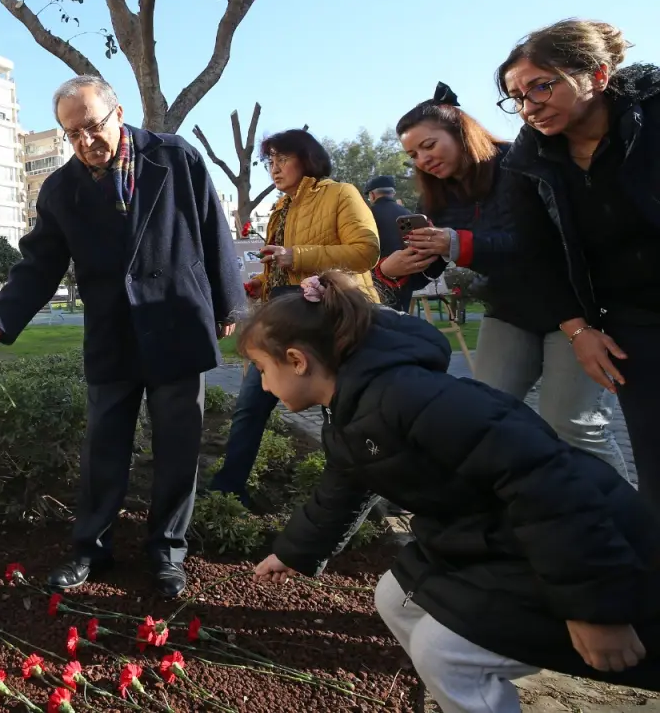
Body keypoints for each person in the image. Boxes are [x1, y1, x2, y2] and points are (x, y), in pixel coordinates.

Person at [247, 272, 660, 713]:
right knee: (394, 599)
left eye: (262, 370)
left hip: (583, 551)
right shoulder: (349, 413)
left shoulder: (413, 398)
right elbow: (342, 489)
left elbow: (549, 482)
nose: (264, 385)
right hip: (492, 538)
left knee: (446, 652)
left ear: (297, 360)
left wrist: (595, 610)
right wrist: (295, 552)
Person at [0, 75, 245, 599]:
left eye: (92, 126)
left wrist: (229, 303)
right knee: (102, 447)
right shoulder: (60, 189)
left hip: (176, 321)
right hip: (113, 331)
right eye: (72, 133)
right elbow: (39, 265)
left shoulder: (176, 157)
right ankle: (91, 549)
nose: (84, 141)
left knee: (178, 447)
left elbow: (214, 229)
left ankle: (167, 551)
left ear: (118, 114)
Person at [376, 82, 627, 474]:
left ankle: (622, 512)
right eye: (413, 155)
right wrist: (397, 268)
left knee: (573, 426)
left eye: (429, 145)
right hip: (510, 310)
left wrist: (456, 242)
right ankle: (521, 498)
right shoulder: (436, 197)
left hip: (574, 307)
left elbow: (535, 244)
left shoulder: (519, 164)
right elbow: (439, 260)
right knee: (483, 413)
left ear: (460, 132)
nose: (423, 160)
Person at [498, 19, 660, 513]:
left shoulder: (652, 118)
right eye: (516, 97)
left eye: (540, 86)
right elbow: (536, 254)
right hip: (632, 325)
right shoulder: (528, 163)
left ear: (598, 76)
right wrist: (578, 331)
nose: (529, 106)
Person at [207, 129, 380, 503]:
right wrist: (259, 283)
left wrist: (296, 255)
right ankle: (228, 489)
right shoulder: (281, 208)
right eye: (270, 161)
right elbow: (283, 269)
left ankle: (344, 497)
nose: (274, 168)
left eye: (283, 159)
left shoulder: (341, 193)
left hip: (331, 319)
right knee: (250, 405)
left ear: (308, 159)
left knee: (338, 413)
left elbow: (366, 251)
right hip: (284, 318)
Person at [364, 174, 412, 311]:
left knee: (378, 316)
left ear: (372, 195)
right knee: (402, 315)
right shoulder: (407, 214)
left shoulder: (367, 214)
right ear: (393, 193)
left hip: (376, 276)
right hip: (405, 275)